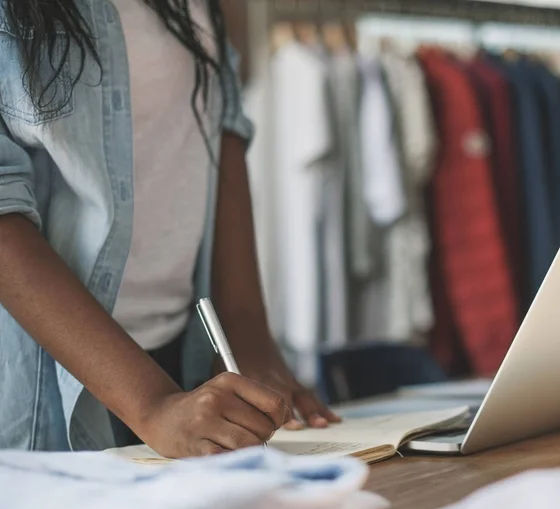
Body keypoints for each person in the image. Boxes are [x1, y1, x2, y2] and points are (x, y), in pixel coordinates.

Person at [0, 0, 339, 458]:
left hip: (182, 364)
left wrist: (250, 342)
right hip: (48, 390)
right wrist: (153, 404)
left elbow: (222, 128)